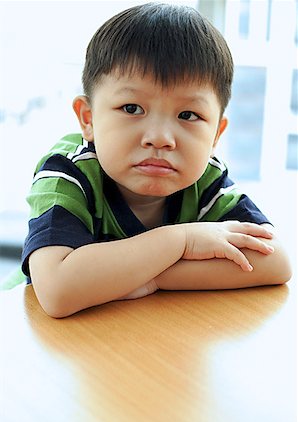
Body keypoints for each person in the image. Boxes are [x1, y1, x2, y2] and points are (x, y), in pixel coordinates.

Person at [21, 2, 291, 318]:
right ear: (88, 118)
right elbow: (58, 291)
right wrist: (182, 241)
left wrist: (152, 277)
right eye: (132, 108)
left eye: (188, 115)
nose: (160, 137)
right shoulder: (67, 172)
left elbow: (275, 261)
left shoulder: (205, 179)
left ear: (216, 134)